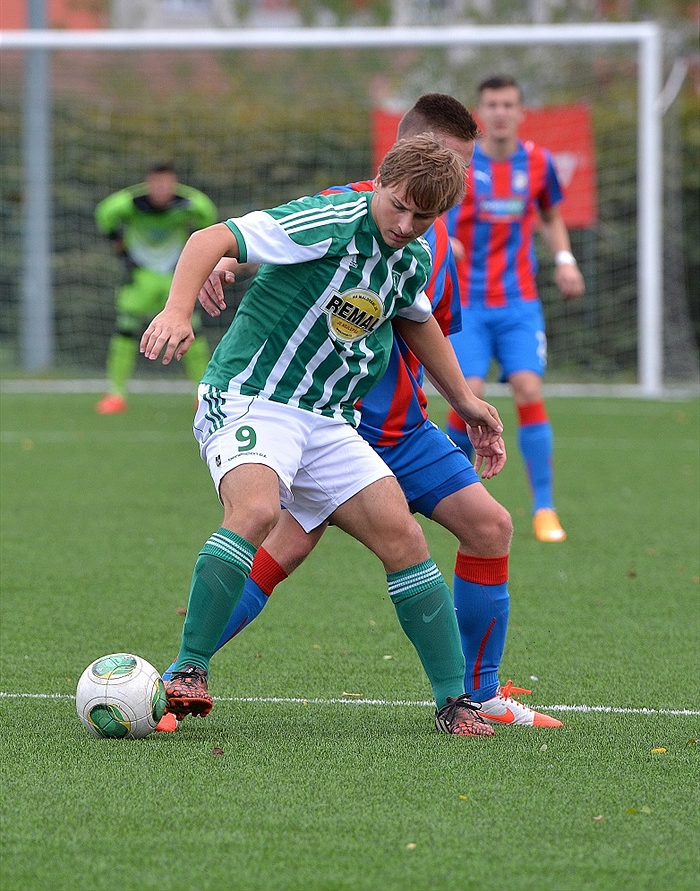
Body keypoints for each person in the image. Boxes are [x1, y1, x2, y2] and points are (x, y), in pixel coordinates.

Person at [158, 94, 562, 733]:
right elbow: (217, 236)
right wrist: (180, 307)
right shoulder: (335, 214)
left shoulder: (418, 251)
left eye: (423, 214)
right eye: (399, 205)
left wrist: (466, 402)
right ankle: (185, 671)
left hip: (331, 417)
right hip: (253, 396)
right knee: (262, 516)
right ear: (389, 172)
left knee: (407, 539)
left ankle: (457, 703)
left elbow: (416, 317)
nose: (405, 223)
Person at [444, 75, 585, 542]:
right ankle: (450, 497)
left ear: (521, 112)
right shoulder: (460, 165)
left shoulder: (539, 163)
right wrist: (444, 242)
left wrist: (564, 260)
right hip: (468, 304)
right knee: (470, 394)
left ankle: (544, 508)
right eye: (492, 104)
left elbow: (549, 215)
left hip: (519, 302)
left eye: (508, 104)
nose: (500, 112)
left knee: (527, 387)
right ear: (480, 112)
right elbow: (429, 216)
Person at [94, 162, 217, 414]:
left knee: (192, 331)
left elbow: (208, 216)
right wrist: (121, 249)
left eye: (167, 184)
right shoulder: (130, 203)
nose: (161, 189)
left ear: (175, 184)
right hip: (140, 277)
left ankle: (202, 394)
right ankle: (116, 394)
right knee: (125, 331)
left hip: (176, 278)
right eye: (156, 184)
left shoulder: (188, 204)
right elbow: (104, 214)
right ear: (148, 184)